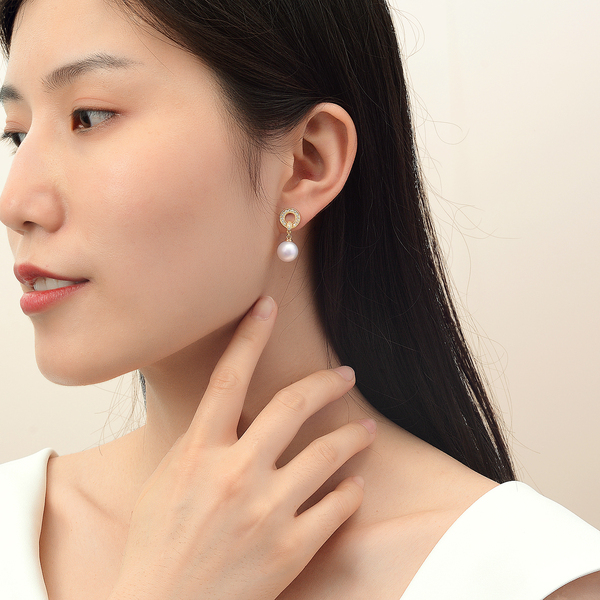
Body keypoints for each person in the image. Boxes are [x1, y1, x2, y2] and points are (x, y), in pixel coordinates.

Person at [0, 0, 598, 598]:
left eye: (90, 117)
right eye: (17, 135)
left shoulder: (527, 576)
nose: (15, 202)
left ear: (306, 163)